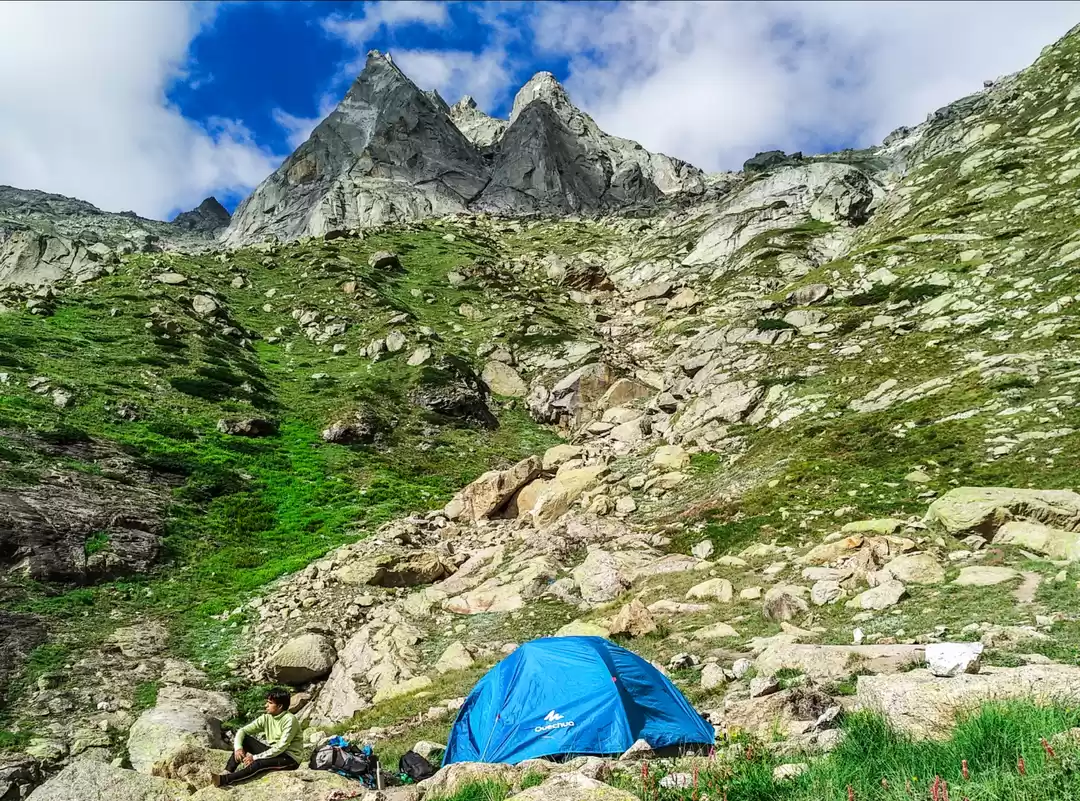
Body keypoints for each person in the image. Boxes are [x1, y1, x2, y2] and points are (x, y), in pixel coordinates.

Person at [211, 688, 303, 787]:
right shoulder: (267, 717)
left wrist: (254, 757)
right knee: (245, 740)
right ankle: (227, 771)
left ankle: (224, 780)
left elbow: (281, 747)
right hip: (275, 752)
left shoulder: (290, 720)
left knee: (258, 763)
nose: (266, 705)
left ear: (280, 706)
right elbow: (242, 731)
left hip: (289, 758)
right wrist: (238, 748)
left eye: (270, 703)